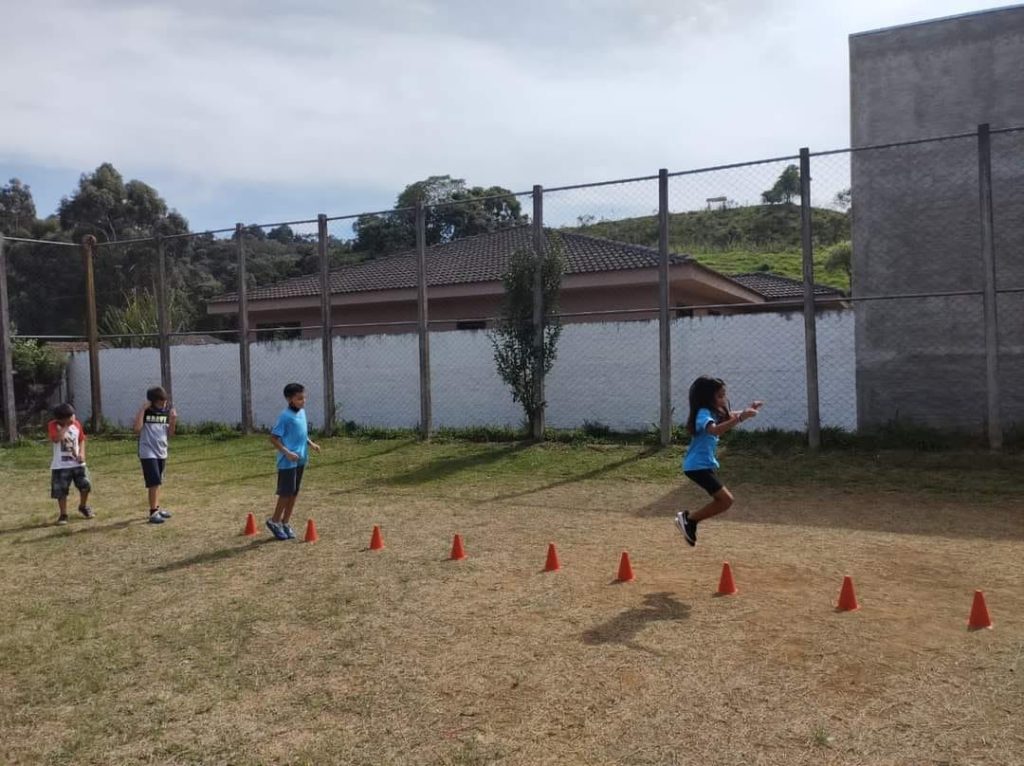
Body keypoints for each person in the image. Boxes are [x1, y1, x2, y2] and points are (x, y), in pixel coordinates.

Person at [674, 376, 762, 546]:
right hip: (696, 467)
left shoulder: (713, 413)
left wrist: (746, 411)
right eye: (720, 396)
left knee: (724, 501)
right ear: (708, 397)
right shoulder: (703, 414)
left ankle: (689, 520)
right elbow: (713, 430)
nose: (724, 399)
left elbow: (730, 416)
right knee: (726, 500)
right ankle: (689, 520)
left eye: (724, 395)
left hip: (702, 466)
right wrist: (741, 418)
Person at [266, 382, 320, 541]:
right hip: (288, 461)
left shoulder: (302, 413)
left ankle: (285, 522)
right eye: (299, 398)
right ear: (289, 399)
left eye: (304, 398)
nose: (303, 401)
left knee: (294, 493)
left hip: (301, 458)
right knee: (285, 493)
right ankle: (274, 521)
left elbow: (301, 433)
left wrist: (311, 443)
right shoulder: (285, 416)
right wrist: (287, 453)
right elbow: (273, 439)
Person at [134, 386, 177, 524]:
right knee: (153, 482)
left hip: (161, 451)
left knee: (158, 482)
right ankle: (153, 513)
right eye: (160, 401)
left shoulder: (165, 412)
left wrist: (173, 420)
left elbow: (170, 434)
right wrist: (142, 409)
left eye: (165, 401)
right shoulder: (146, 412)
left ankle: (157, 508)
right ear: (152, 401)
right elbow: (137, 429)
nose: (164, 403)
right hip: (148, 452)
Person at [47, 403, 94, 526]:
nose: (73, 417)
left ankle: (83, 506)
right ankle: (63, 514)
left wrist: (82, 453)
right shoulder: (53, 425)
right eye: (70, 416)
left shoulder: (77, 424)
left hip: (77, 463)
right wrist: (66, 427)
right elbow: (56, 439)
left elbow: (81, 439)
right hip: (61, 465)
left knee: (85, 485)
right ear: (62, 419)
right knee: (61, 491)